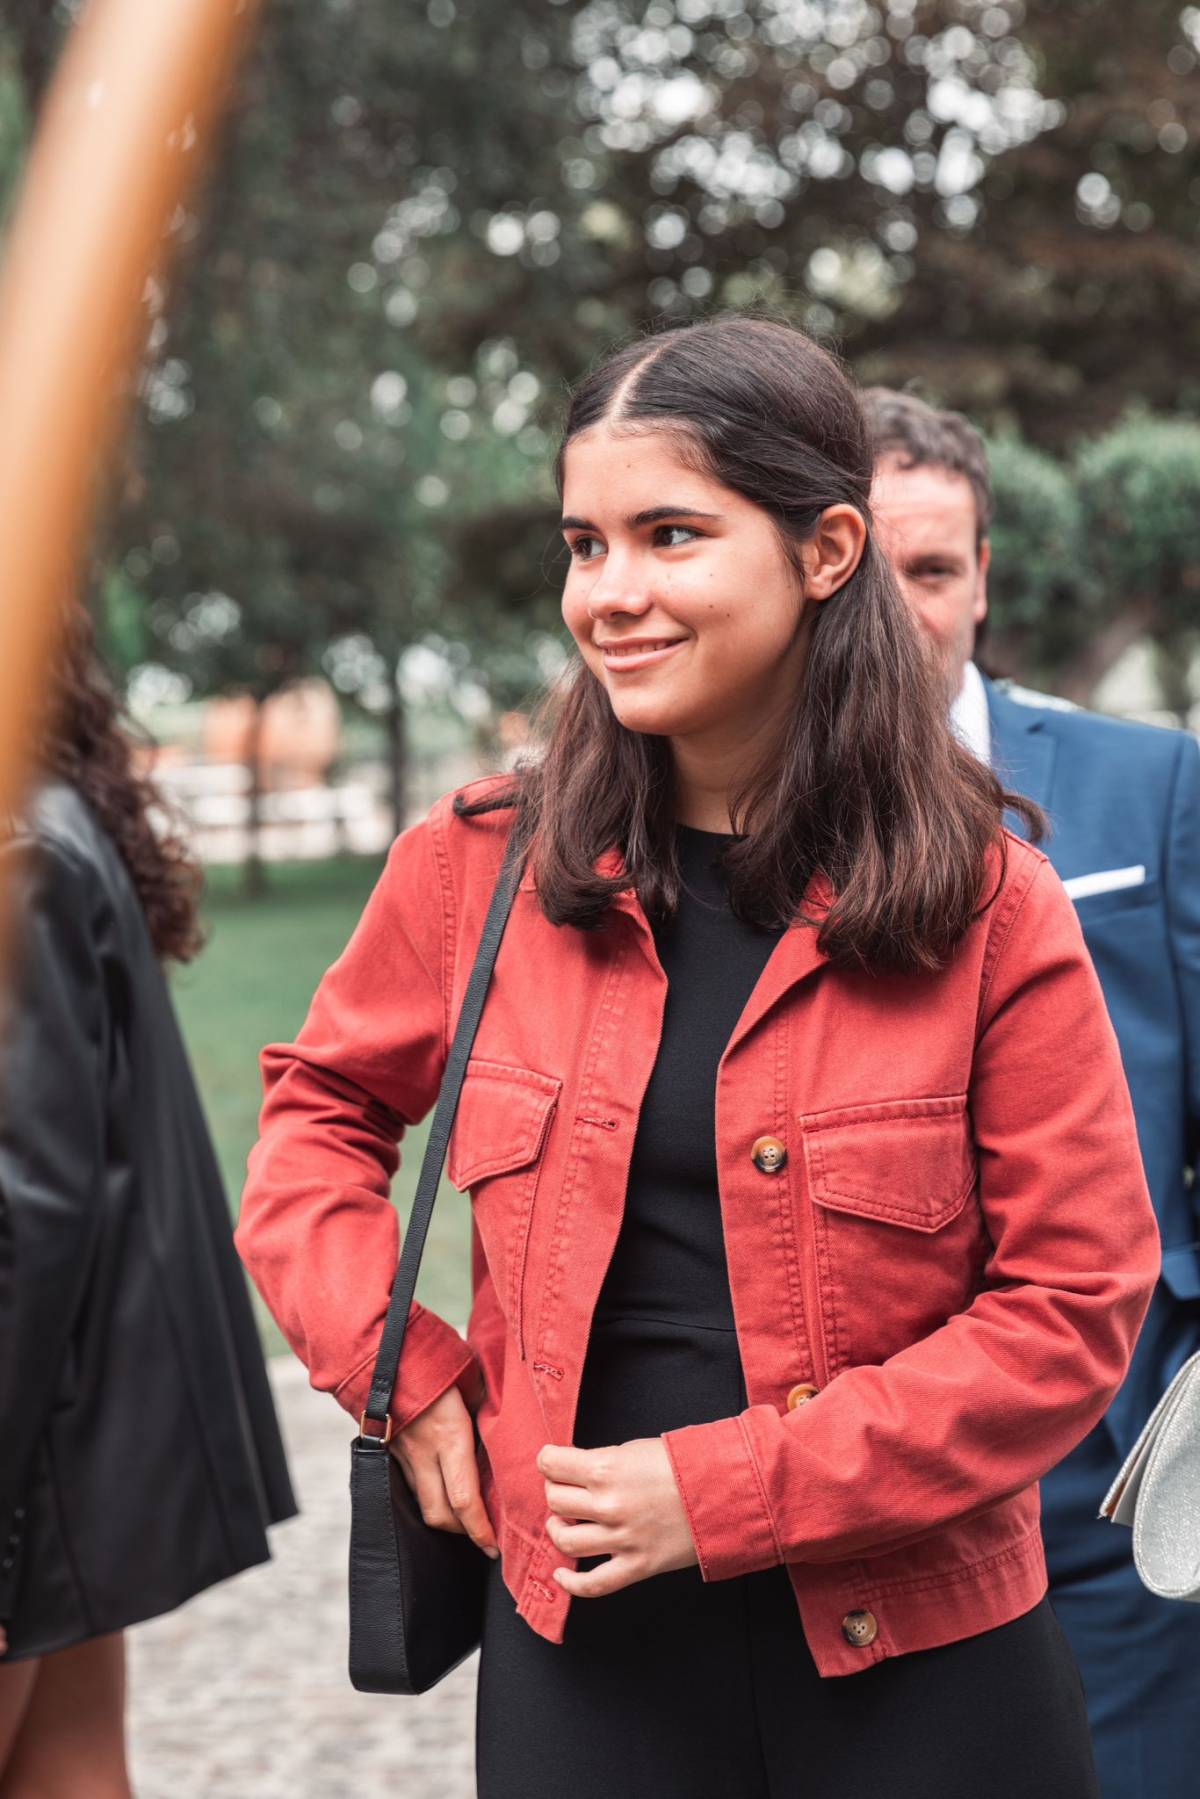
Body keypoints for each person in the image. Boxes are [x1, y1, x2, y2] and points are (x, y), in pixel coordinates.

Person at [237, 315, 1159, 1799]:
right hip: (585, 1661)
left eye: (670, 534)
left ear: (826, 549)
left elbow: (1070, 1306)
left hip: (923, 1666)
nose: (610, 593)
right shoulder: (479, 866)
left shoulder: (993, 905)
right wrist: (397, 1366)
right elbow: (314, 1123)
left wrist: (725, 1487)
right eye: (583, 543)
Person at [866, 384, 1200, 1799]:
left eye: (932, 569)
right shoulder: (730, 814)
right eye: (866, 570)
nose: (900, 610)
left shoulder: (1153, 783)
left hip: (1117, 1455)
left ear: (984, 576)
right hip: (868, 1471)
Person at [0, 607, 296, 1796]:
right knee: (70, 1770)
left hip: (34, 1437)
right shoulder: (49, 813)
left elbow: (23, 1207)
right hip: (65, 1433)